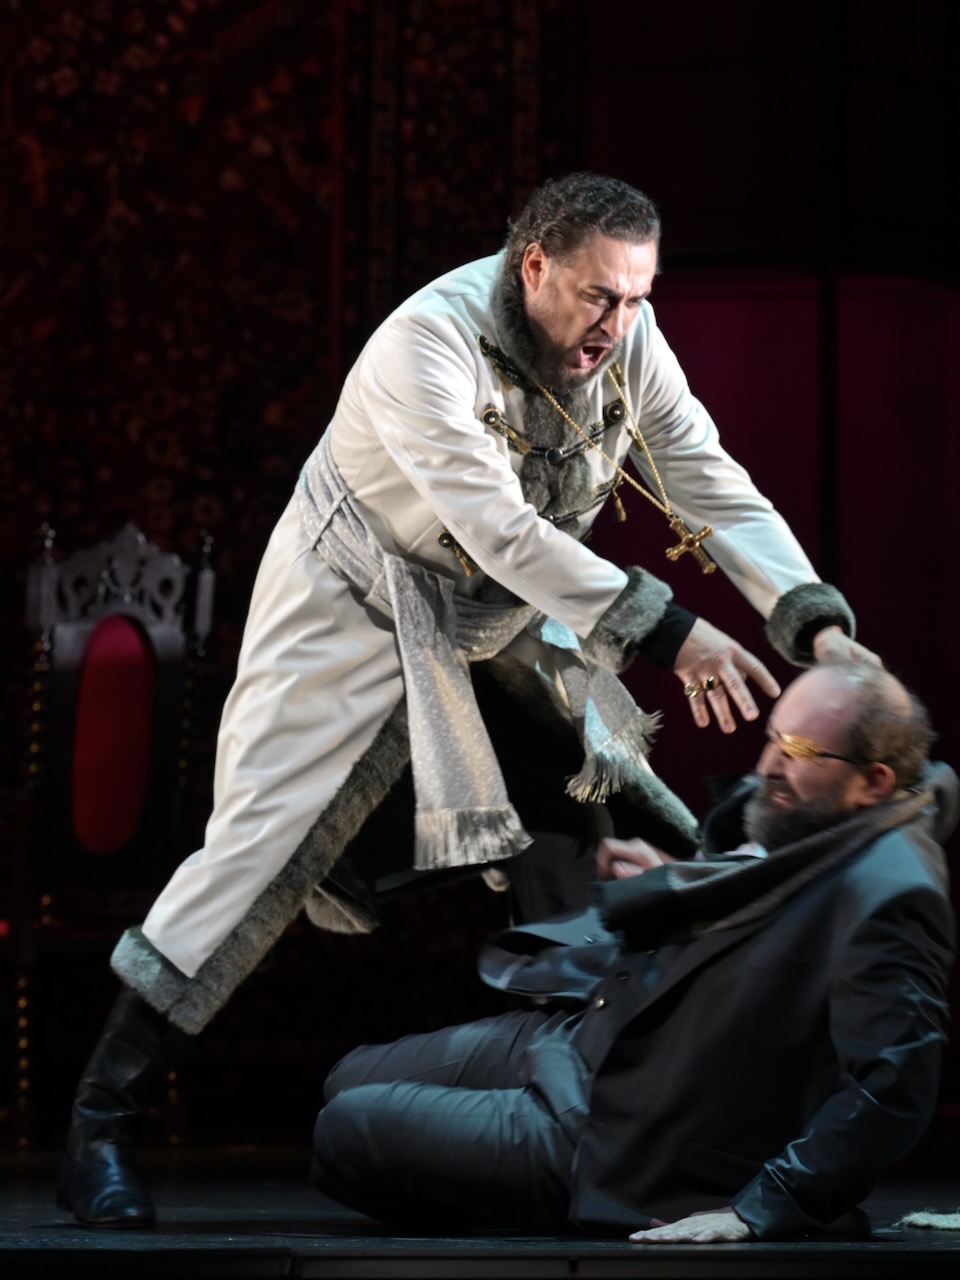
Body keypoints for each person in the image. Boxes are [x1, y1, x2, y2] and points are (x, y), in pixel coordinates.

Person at [58, 172, 877, 1226]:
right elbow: (496, 526)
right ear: (533, 266)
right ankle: (99, 1126)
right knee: (258, 850)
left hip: (506, 618)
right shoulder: (425, 343)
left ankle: (604, 1104)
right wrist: (671, 632)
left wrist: (814, 622)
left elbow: (705, 475)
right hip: (356, 606)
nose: (617, 324)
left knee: (601, 810)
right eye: (598, 296)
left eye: (637, 298)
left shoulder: (630, 341)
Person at [311, 662, 956, 1242]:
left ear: (874, 781)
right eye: (773, 737)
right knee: (345, 1077)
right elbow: (762, 910)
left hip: (614, 1132)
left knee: (343, 1130)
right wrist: (683, 879)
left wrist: (763, 1207)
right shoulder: (830, 822)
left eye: (799, 751)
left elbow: (892, 1086)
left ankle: (538, 1200)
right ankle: (483, 1178)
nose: (767, 765)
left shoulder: (893, 894)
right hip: (584, 1038)